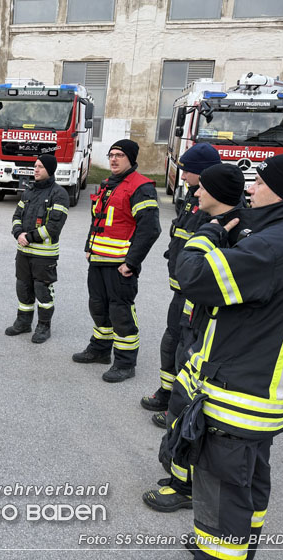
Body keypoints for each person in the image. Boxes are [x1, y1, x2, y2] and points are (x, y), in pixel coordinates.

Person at [172, 152, 283, 559]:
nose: (251, 189)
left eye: (259, 183)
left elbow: (193, 277)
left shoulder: (275, 247)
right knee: (250, 478)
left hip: (238, 393)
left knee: (222, 488)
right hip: (269, 392)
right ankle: (244, 540)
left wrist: (206, 234)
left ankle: (221, 550)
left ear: (281, 192)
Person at [142, 161, 246, 514]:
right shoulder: (214, 221)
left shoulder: (237, 232)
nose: (196, 191)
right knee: (180, 404)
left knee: (191, 412)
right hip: (194, 320)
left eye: (204, 187)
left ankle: (183, 486)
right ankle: (177, 474)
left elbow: (199, 276)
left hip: (211, 340)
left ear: (218, 193)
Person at [140, 143, 220, 413]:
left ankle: (180, 407)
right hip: (180, 291)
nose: (182, 176)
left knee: (187, 349)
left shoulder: (213, 205)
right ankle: (166, 393)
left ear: (204, 173)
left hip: (195, 296)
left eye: (187, 172)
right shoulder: (193, 198)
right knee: (171, 342)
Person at [72, 139, 160, 382]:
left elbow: (150, 229)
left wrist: (131, 263)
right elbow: (97, 218)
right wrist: (88, 247)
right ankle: (100, 350)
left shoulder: (141, 187)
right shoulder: (107, 185)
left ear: (131, 159)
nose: (113, 159)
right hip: (98, 260)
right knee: (98, 307)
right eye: (111, 154)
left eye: (119, 155)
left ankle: (125, 363)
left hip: (121, 265)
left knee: (121, 313)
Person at [4, 154, 69, 343]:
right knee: (23, 288)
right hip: (24, 253)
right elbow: (17, 215)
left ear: (50, 170)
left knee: (43, 291)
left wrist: (29, 237)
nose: (36, 170)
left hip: (44, 256)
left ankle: (43, 326)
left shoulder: (59, 194)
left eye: (40, 166)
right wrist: (18, 233)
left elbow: (54, 226)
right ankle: (23, 322)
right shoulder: (29, 191)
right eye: (35, 166)